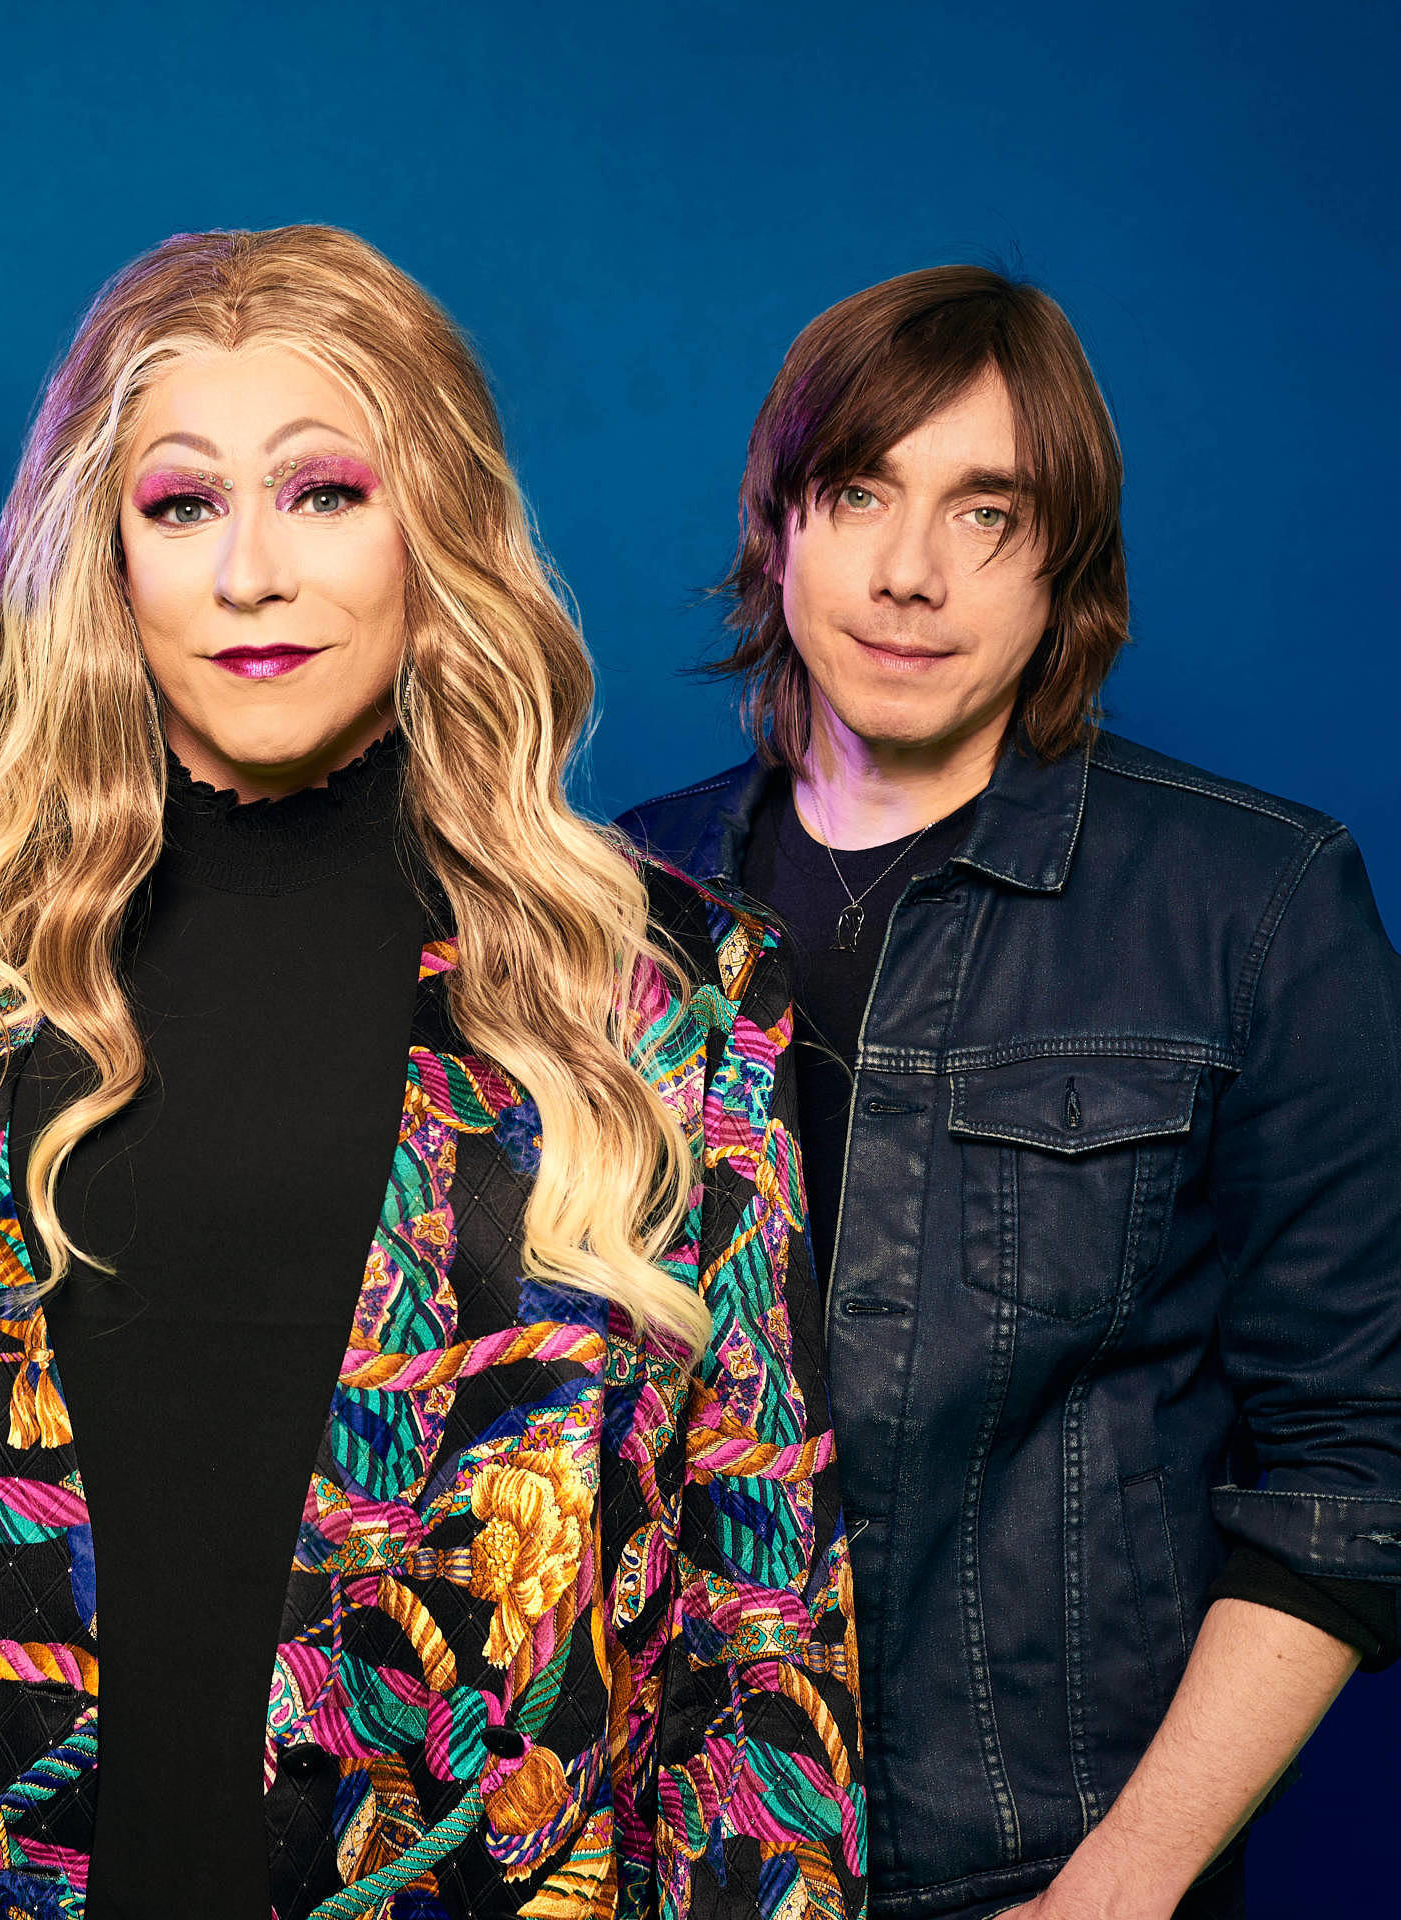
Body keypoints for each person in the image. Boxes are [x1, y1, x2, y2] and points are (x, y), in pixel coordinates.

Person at [0, 227, 865, 1919]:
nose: (249, 575)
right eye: (180, 504)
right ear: (104, 548)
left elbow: (762, 1629)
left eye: (322, 493)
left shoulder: (663, 986)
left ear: (433, 521)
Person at [617, 267, 1401, 1920]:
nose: (910, 572)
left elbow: (1357, 1465)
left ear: (1066, 564)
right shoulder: (615, 902)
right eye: (860, 493)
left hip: (1044, 1865)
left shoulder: (1253, 903)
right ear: (781, 527)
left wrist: (1127, 1881)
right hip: (657, 1854)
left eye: (989, 514)